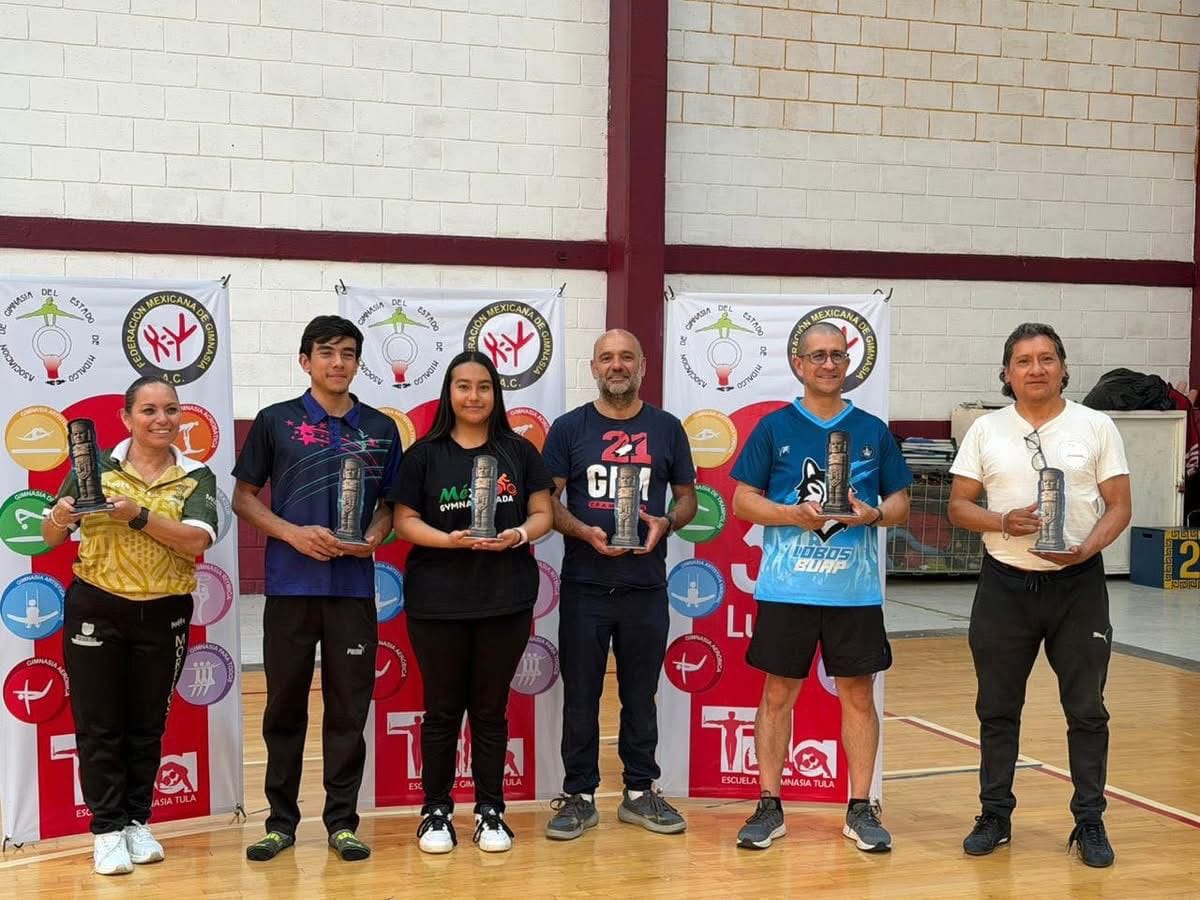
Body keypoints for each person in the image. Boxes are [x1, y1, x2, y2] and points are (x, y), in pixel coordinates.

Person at [948, 322, 1131, 868]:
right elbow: (959, 507)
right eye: (1024, 361)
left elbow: (1119, 506)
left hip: (1078, 587)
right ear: (1007, 373)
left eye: (1046, 358)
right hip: (1005, 585)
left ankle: (1090, 820)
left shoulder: (1095, 426)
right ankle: (995, 814)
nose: (1036, 369)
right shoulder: (985, 429)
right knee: (997, 708)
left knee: (1086, 709)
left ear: (1064, 367)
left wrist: (1084, 550)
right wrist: (1004, 520)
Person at [729, 322, 912, 853]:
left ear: (847, 363)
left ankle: (860, 808)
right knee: (777, 695)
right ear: (799, 365)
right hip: (787, 589)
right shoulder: (774, 427)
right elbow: (742, 501)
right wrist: (792, 514)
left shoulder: (874, 430)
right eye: (818, 356)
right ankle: (768, 805)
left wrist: (871, 514)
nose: (828, 364)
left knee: (857, 695)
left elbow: (899, 506)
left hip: (852, 594)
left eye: (837, 355)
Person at [232, 315, 401, 863]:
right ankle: (280, 822)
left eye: (348, 353)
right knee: (283, 706)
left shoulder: (379, 428)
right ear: (305, 360)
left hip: (352, 591)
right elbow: (245, 498)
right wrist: (292, 535)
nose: (338, 363)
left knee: (349, 708)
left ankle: (342, 823)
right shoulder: (275, 421)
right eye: (326, 352)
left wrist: (372, 537)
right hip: (289, 588)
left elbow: (390, 506)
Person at [43, 377, 217, 876]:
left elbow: (194, 542)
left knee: (146, 726)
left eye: (170, 409)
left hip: (165, 611)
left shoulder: (196, 475)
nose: (161, 419)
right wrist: (59, 513)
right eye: (148, 410)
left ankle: (137, 821)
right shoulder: (94, 467)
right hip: (97, 606)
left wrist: (137, 515)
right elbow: (50, 536)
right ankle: (106, 830)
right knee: (99, 725)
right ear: (126, 418)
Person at [389, 351, 554, 854]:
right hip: (437, 601)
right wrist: (450, 541)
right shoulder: (424, 454)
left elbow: (543, 511)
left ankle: (490, 810)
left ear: (495, 393)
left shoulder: (518, 452)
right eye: (464, 386)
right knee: (441, 710)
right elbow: (403, 521)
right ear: (450, 393)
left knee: (489, 709)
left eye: (484, 386)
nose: (474, 396)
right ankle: (436, 810)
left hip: (504, 600)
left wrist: (520, 535)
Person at [541, 329, 698, 840]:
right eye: (607, 357)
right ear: (593, 367)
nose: (617, 365)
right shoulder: (568, 429)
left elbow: (687, 499)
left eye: (626, 356)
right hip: (586, 584)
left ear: (642, 365)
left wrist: (666, 524)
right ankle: (579, 795)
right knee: (581, 696)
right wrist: (582, 530)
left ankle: (638, 792)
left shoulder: (667, 428)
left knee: (640, 694)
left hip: (645, 587)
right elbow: (549, 503)